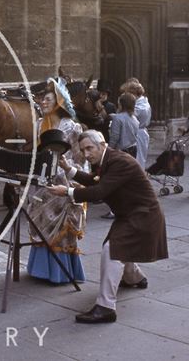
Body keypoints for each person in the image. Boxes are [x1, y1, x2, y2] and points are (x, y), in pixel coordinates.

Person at [47, 130, 168, 323]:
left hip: (143, 215)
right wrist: (68, 169)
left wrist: (67, 192)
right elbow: (96, 180)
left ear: (102, 144)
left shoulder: (119, 162)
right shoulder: (107, 159)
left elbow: (99, 191)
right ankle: (135, 278)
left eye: (90, 148)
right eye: (83, 150)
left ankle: (105, 308)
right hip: (131, 214)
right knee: (119, 247)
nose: (87, 154)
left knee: (112, 250)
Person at [25, 78, 87, 283]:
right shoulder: (37, 125)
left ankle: (60, 272)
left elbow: (80, 159)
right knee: (40, 222)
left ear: (59, 101)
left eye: (47, 98)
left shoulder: (72, 127)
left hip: (62, 183)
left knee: (60, 228)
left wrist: (74, 181)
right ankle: (41, 270)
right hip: (40, 183)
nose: (42, 102)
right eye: (41, 98)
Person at [121, 78, 151, 168]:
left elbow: (127, 117)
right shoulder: (139, 103)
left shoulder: (140, 106)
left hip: (138, 135)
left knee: (137, 160)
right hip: (136, 133)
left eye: (126, 93)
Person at [108, 93, 139, 159]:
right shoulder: (134, 118)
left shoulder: (118, 118)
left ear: (121, 105)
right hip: (133, 149)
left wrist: (108, 151)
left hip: (121, 151)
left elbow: (114, 137)